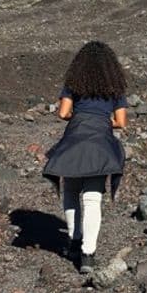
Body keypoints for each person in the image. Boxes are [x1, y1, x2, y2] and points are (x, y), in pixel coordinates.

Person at [42, 41, 127, 272]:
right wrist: (102, 120)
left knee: (70, 191)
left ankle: (74, 239)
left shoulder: (73, 84)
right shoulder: (115, 88)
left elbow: (62, 113)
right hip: (100, 144)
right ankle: (88, 255)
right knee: (92, 198)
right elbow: (120, 122)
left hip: (75, 139)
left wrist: (81, 115)